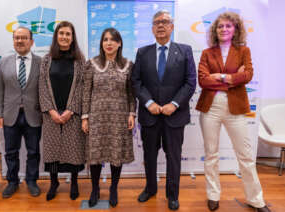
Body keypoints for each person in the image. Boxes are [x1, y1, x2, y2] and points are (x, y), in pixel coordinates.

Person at [195, 12, 270, 212]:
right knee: (211, 155)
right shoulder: (207, 53)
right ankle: (213, 195)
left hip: (235, 107)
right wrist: (232, 77)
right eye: (220, 26)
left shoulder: (244, 50)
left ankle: (256, 200)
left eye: (228, 26)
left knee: (245, 155)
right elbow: (203, 80)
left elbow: (247, 75)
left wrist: (220, 77)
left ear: (235, 29)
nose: (224, 29)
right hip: (210, 108)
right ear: (215, 30)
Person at [131, 10, 196, 210]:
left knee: (173, 156)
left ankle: (172, 194)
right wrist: (148, 102)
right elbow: (136, 81)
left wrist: (174, 104)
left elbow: (190, 82)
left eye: (165, 22)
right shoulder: (143, 52)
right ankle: (151, 189)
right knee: (149, 156)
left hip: (174, 116)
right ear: (152, 28)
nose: (161, 25)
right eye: (157, 22)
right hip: (149, 116)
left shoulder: (185, 51)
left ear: (172, 27)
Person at [82, 28, 136, 208]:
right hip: (97, 116)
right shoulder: (92, 63)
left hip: (119, 116)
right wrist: (85, 117)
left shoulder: (128, 65)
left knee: (116, 154)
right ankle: (95, 188)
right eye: (105, 39)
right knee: (96, 155)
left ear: (119, 43)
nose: (109, 43)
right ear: (101, 43)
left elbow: (131, 93)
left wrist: (131, 113)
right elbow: (86, 92)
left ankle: (113, 188)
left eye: (113, 40)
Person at [39, 21, 86, 201]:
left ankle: (74, 182)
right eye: (61, 33)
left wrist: (71, 110)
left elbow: (82, 88)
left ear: (72, 38)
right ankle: (54, 183)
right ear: (56, 36)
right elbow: (42, 86)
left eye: (68, 34)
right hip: (51, 114)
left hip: (72, 114)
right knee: (52, 151)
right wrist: (51, 110)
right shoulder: (46, 60)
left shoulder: (80, 61)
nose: (64, 37)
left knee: (73, 151)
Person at [0, 26, 42, 198]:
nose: (20, 41)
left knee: (33, 152)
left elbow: (44, 91)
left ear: (31, 41)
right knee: (11, 152)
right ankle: (12, 182)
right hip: (9, 115)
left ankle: (31, 181)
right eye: (16, 38)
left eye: (23, 38)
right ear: (13, 40)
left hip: (33, 115)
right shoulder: (4, 62)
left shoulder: (41, 62)